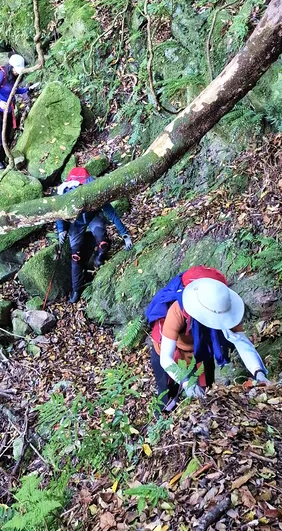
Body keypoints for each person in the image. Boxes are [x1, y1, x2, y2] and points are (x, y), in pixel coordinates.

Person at [146, 266, 267, 411]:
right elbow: (166, 358)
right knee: (166, 393)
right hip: (171, 349)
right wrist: (186, 382)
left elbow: (242, 343)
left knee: (207, 392)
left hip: (203, 348)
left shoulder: (223, 306)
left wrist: (258, 371)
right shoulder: (178, 310)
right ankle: (165, 418)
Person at [56, 166, 133, 303]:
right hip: (76, 222)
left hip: (92, 216)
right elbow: (58, 213)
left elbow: (112, 214)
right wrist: (61, 229)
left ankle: (98, 258)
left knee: (103, 243)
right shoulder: (64, 194)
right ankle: (76, 290)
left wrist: (125, 234)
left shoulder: (94, 193)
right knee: (75, 256)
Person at [0, 54, 29, 170]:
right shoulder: (2, 74)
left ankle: (4, 158)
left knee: (8, 134)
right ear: (11, 67)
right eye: (16, 70)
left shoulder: (14, 77)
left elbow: (14, 90)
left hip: (8, 109)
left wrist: (26, 90)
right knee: (0, 136)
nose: (17, 73)